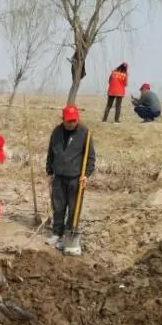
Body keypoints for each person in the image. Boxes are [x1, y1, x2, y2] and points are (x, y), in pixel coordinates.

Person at [45, 105, 96, 255]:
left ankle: (69, 234)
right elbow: (51, 153)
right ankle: (57, 233)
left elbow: (91, 157)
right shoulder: (57, 132)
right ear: (63, 119)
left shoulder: (85, 133)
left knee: (74, 208)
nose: (71, 124)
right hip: (59, 176)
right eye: (68, 121)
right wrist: (49, 171)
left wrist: (86, 174)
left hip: (76, 178)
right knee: (58, 206)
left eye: (74, 121)